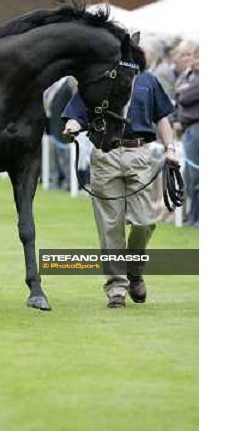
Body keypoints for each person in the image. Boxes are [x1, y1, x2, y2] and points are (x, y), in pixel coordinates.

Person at [62, 69, 178, 308]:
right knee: (110, 225)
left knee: (145, 221)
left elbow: (162, 117)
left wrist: (171, 148)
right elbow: (77, 112)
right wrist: (72, 127)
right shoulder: (96, 78)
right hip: (105, 155)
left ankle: (134, 270)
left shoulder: (148, 80)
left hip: (140, 154)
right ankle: (117, 289)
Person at [174, 43, 199, 226]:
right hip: (185, 129)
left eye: (191, 55)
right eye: (184, 55)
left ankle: (197, 215)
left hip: (197, 127)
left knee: (197, 174)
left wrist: (183, 92)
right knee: (189, 175)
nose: (189, 59)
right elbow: (178, 99)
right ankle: (192, 214)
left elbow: (185, 97)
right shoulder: (186, 76)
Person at [43, 77, 76, 190]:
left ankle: (68, 182)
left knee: (65, 158)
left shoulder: (68, 85)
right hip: (51, 126)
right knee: (53, 159)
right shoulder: (55, 86)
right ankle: (55, 181)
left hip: (62, 127)